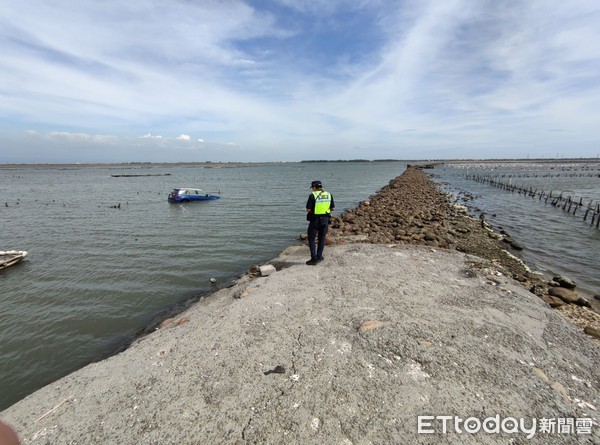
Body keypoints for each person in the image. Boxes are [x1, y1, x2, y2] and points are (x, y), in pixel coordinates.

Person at [305, 180, 335, 265]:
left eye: (312, 188)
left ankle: (314, 259)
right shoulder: (329, 194)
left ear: (314, 187)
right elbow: (332, 208)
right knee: (322, 238)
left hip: (315, 220)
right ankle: (319, 256)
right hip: (325, 220)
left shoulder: (312, 195)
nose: (312, 190)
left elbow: (308, 209)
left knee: (311, 238)